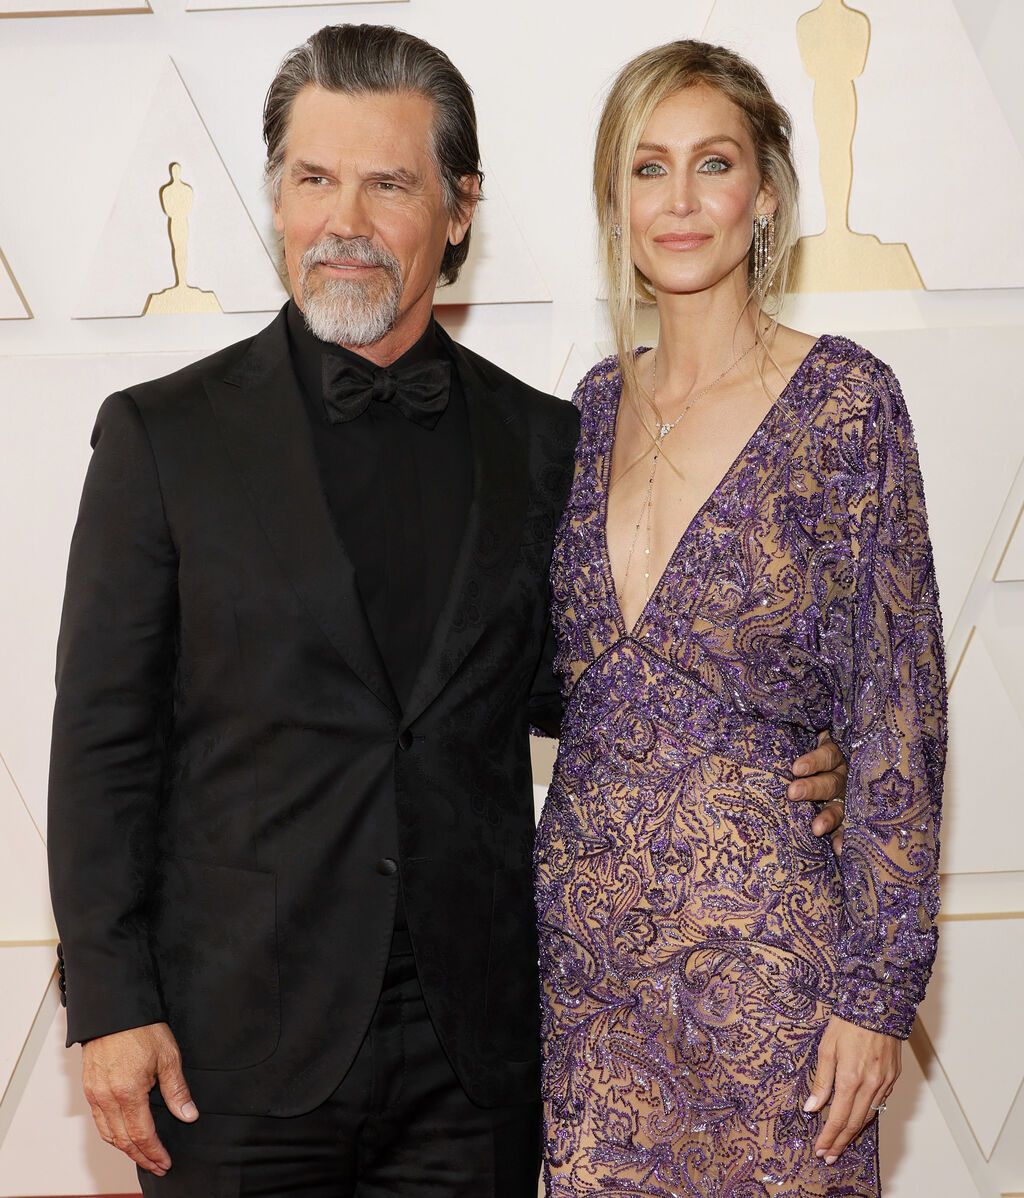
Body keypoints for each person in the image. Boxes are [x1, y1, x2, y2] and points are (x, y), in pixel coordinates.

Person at [48, 24, 849, 1197]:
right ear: (276, 198)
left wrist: (780, 748)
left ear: (461, 208)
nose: (342, 220)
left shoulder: (547, 441)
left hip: (473, 1065)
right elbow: (101, 743)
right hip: (232, 1054)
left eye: (387, 184)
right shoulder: (161, 437)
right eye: (312, 180)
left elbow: (598, 685)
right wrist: (112, 1003)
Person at [534, 39, 946, 1197]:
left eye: (711, 164)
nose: (678, 200)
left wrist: (876, 996)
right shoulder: (584, 413)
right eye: (647, 168)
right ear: (615, 203)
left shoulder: (844, 406)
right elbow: (559, 686)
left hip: (775, 985)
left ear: (763, 194)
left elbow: (899, 716)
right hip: (585, 988)